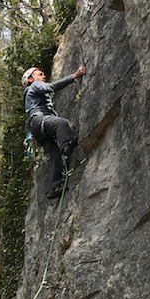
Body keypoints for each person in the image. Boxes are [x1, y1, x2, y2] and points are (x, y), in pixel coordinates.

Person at [22, 63, 86, 199]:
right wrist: (74, 76)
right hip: (39, 121)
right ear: (31, 79)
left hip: (37, 130)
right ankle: (66, 145)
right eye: (40, 74)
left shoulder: (30, 95)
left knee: (55, 155)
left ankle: (54, 187)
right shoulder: (34, 86)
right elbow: (51, 88)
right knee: (61, 123)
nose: (44, 75)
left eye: (44, 74)